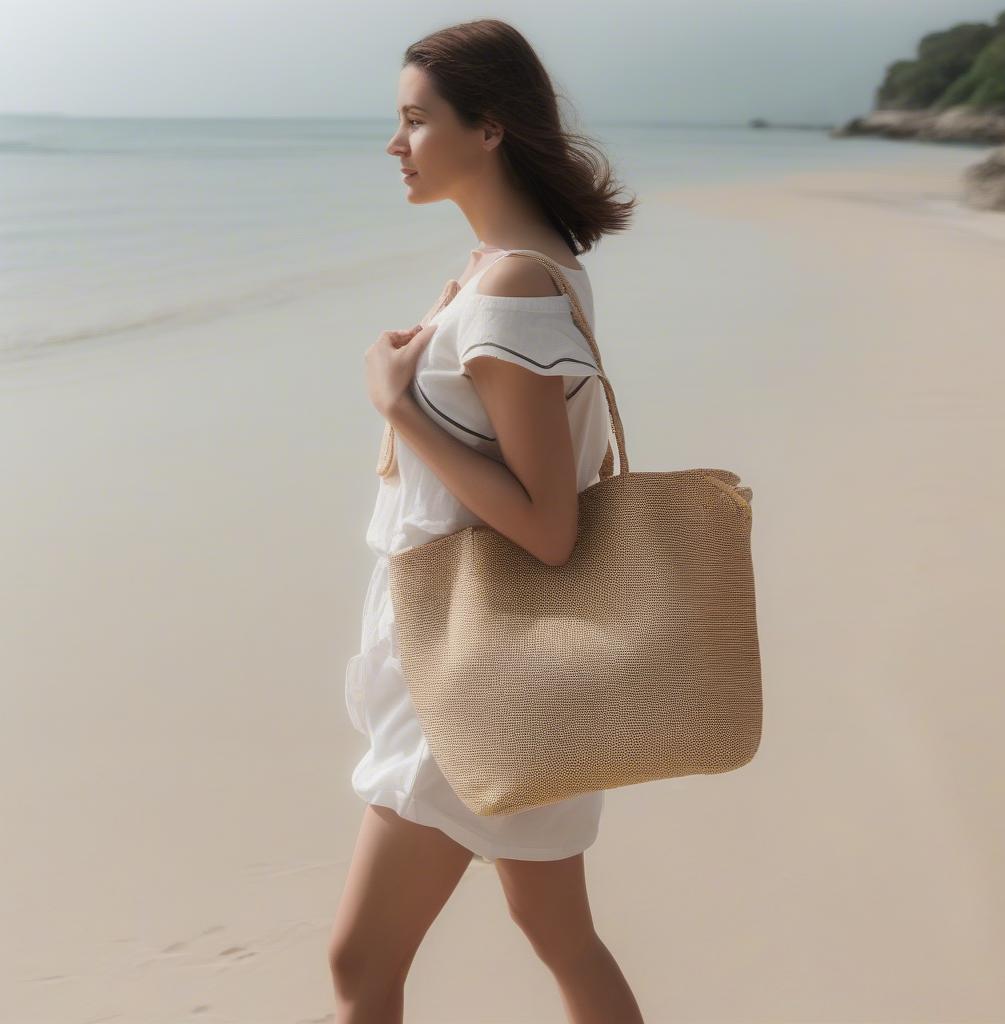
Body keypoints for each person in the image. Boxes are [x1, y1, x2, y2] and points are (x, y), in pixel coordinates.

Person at [328, 18, 643, 1024]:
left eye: (416, 121)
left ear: (489, 129)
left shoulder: (508, 287)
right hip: (516, 669)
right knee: (562, 939)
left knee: (356, 964)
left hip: (471, 677)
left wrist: (396, 406)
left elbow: (548, 526)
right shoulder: (508, 267)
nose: (396, 144)